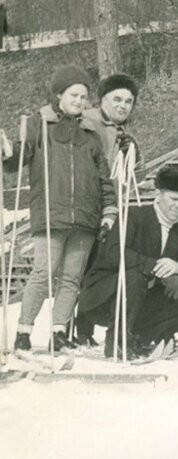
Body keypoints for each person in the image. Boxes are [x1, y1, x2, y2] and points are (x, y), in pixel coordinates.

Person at [0, 64, 116, 352]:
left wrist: (109, 211)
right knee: (43, 272)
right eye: (74, 95)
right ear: (59, 95)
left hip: (86, 218)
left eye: (84, 96)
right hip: (51, 214)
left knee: (71, 278)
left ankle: (59, 332)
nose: (79, 101)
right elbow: (20, 157)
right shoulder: (40, 124)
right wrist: (8, 151)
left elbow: (104, 178)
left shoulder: (91, 134)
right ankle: (24, 331)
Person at [77, 167, 178, 359]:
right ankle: (117, 341)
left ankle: (141, 337)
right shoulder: (134, 216)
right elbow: (114, 254)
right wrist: (158, 268)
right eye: (173, 199)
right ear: (159, 195)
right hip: (106, 298)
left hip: (142, 301)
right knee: (135, 277)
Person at [75, 73, 142, 346]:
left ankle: (85, 329)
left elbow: (135, 174)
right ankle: (77, 329)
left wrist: (135, 152)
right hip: (89, 207)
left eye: (128, 101)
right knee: (83, 267)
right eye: (117, 99)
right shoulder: (88, 122)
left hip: (113, 208)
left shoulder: (122, 131)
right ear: (102, 99)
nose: (123, 106)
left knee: (97, 267)